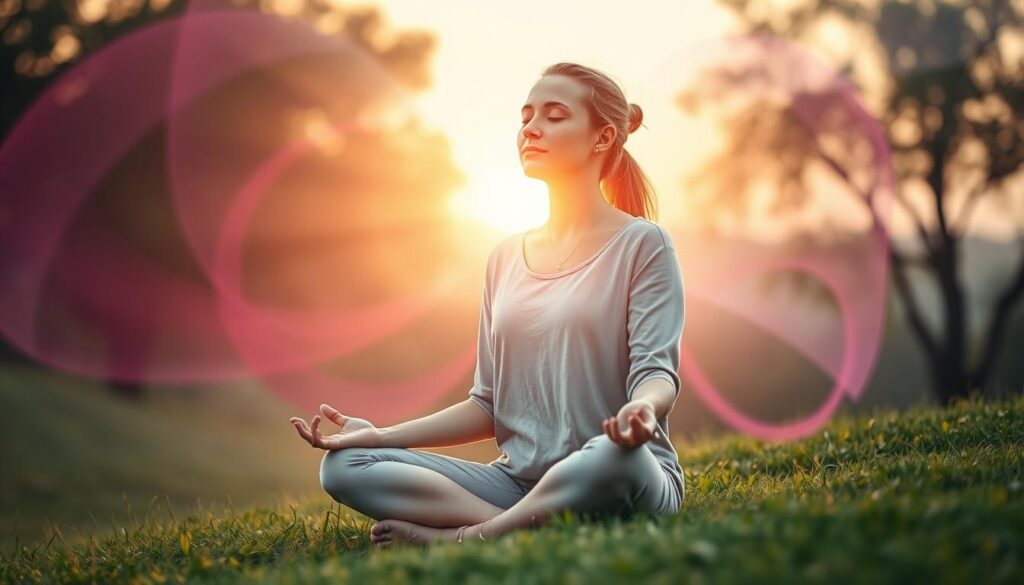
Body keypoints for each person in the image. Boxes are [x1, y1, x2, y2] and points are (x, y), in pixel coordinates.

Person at [290, 62, 686, 548]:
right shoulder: (503, 257)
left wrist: (642, 411)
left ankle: (468, 537)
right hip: (517, 481)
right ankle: (527, 527)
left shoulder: (644, 245)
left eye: (555, 115)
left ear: (603, 138)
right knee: (345, 466)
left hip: (620, 468)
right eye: (526, 116)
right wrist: (379, 436)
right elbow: (487, 404)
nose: (531, 129)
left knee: (609, 456)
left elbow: (657, 372)